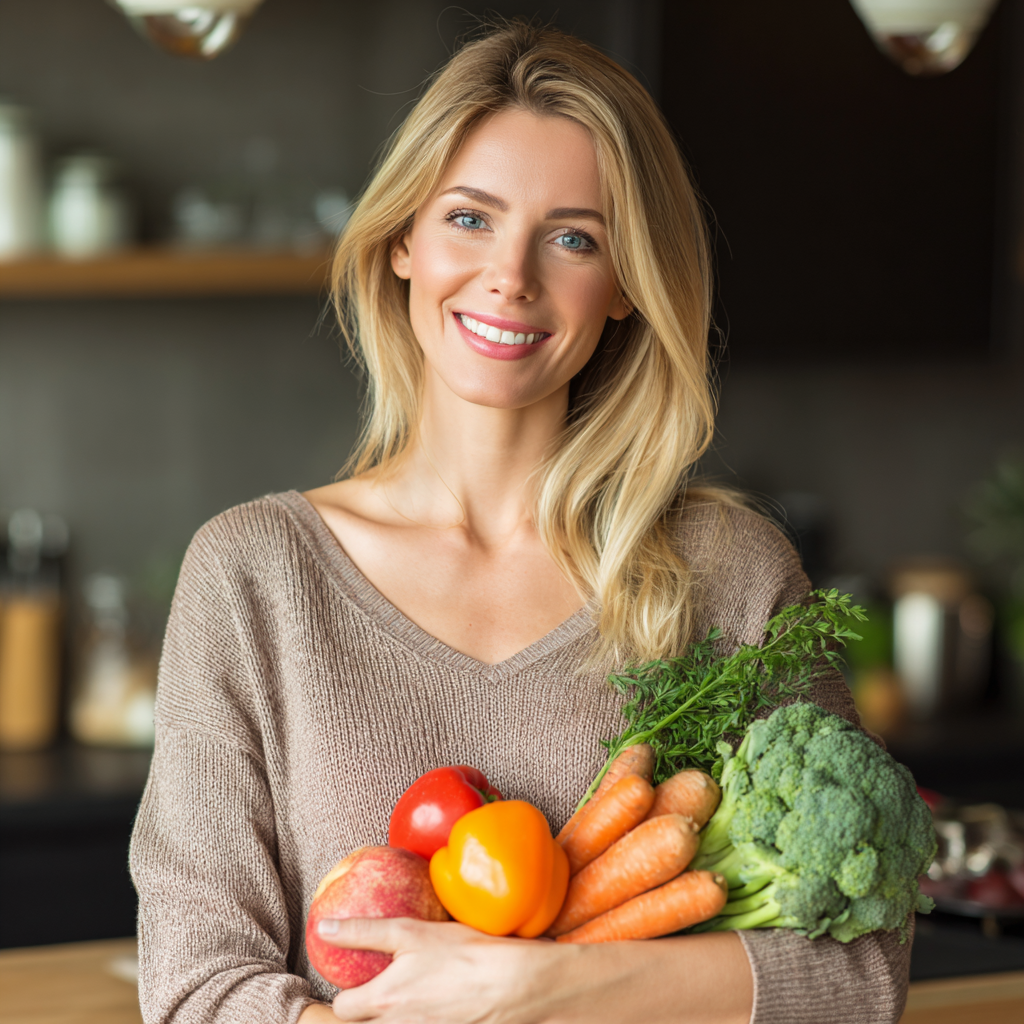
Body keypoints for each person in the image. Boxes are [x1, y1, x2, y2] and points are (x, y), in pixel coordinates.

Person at [130, 21, 912, 1024]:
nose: (510, 276)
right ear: (402, 238)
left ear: (625, 284)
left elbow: (859, 978)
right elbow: (199, 987)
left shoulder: (724, 569)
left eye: (572, 237)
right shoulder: (253, 576)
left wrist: (547, 988)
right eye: (468, 218)